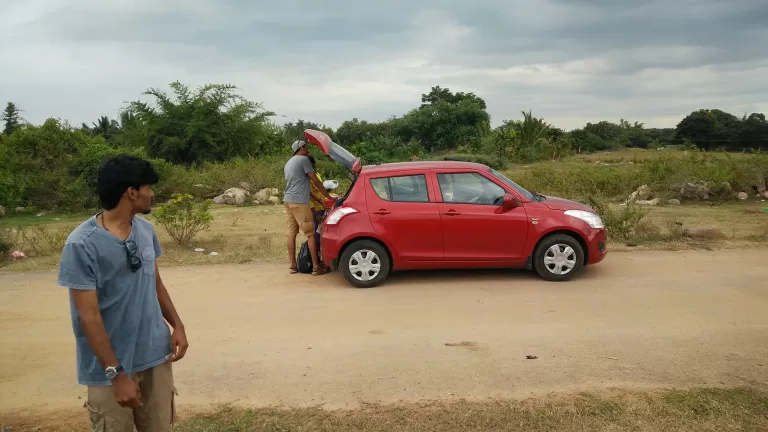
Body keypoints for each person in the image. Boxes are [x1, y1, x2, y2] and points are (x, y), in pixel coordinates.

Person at [57, 155, 188, 432]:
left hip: (155, 356)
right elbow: (88, 317)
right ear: (131, 193)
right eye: (148, 188)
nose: (152, 194)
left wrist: (177, 325)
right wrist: (116, 376)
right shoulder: (81, 245)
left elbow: (156, 284)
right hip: (109, 370)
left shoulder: (145, 230)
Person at [284, 140, 332, 275]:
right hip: (299, 202)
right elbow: (315, 181)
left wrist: (319, 199)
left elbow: (303, 186)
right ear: (301, 148)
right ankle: (317, 267)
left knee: (292, 232)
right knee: (310, 234)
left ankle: (293, 266)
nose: (308, 151)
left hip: (288, 200)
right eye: (306, 148)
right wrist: (328, 196)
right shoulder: (303, 160)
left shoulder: (289, 162)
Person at [307, 155, 325, 247]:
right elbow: (308, 196)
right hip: (315, 210)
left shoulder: (317, 174)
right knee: (316, 235)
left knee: (322, 232)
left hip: (322, 207)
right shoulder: (307, 178)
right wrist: (315, 214)